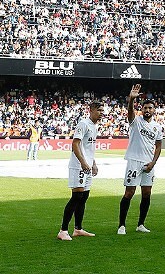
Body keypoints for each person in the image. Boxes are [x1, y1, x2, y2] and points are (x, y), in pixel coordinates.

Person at [118, 84, 162, 235]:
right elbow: (130, 113)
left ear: (154, 110)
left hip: (149, 164)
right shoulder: (136, 121)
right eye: (145, 108)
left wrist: (153, 163)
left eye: (150, 108)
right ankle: (121, 225)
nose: (148, 110)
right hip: (134, 161)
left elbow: (158, 147)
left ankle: (140, 224)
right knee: (129, 193)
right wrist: (131, 99)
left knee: (147, 194)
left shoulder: (158, 127)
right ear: (141, 110)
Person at [57, 101, 101, 241]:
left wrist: (93, 163)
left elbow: (88, 148)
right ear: (91, 110)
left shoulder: (94, 126)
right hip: (78, 166)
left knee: (84, 197)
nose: (102, 113)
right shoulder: (83, 124)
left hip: (87, 166)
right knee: (76, 196)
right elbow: (75, 143)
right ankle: (63, 230)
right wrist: (82, 162)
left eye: (102, 111)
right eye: (99, 110)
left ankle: (78, 229)